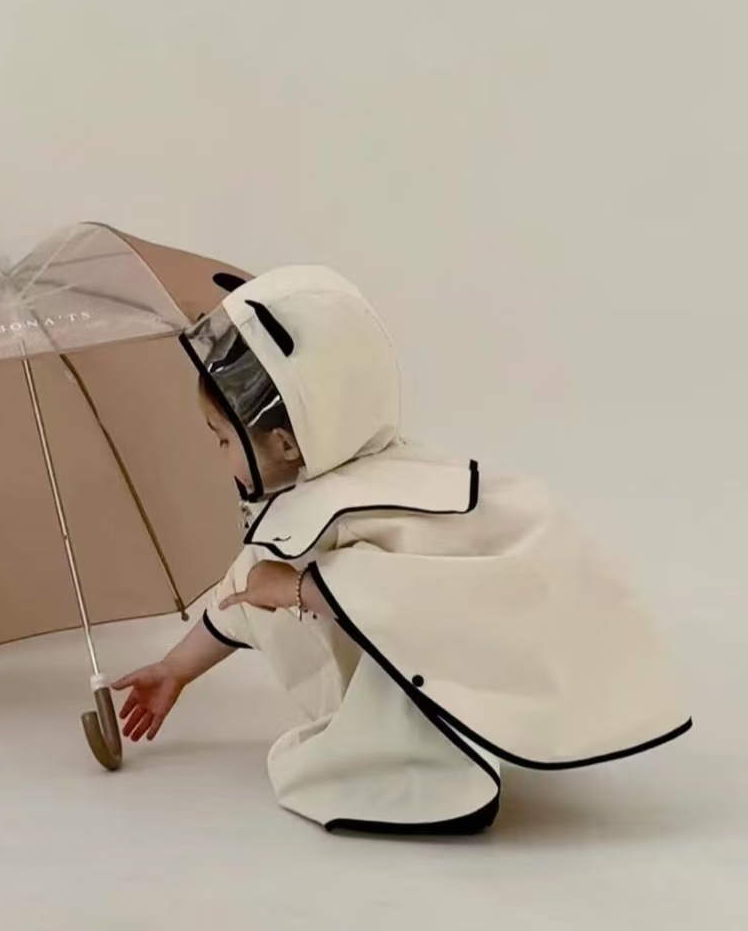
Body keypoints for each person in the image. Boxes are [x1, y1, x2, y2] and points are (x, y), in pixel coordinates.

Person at [114, 266, 690, 834]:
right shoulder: (307, 501)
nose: (218, 455)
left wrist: (295, 588)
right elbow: (239, 595)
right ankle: (416, 756)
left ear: (286, 443)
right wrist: (175, 670)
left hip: (426, 687)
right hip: (409, 683)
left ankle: (427, 768)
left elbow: (403, 594)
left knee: (373, 710)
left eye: (222, 439)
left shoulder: (377, 501)